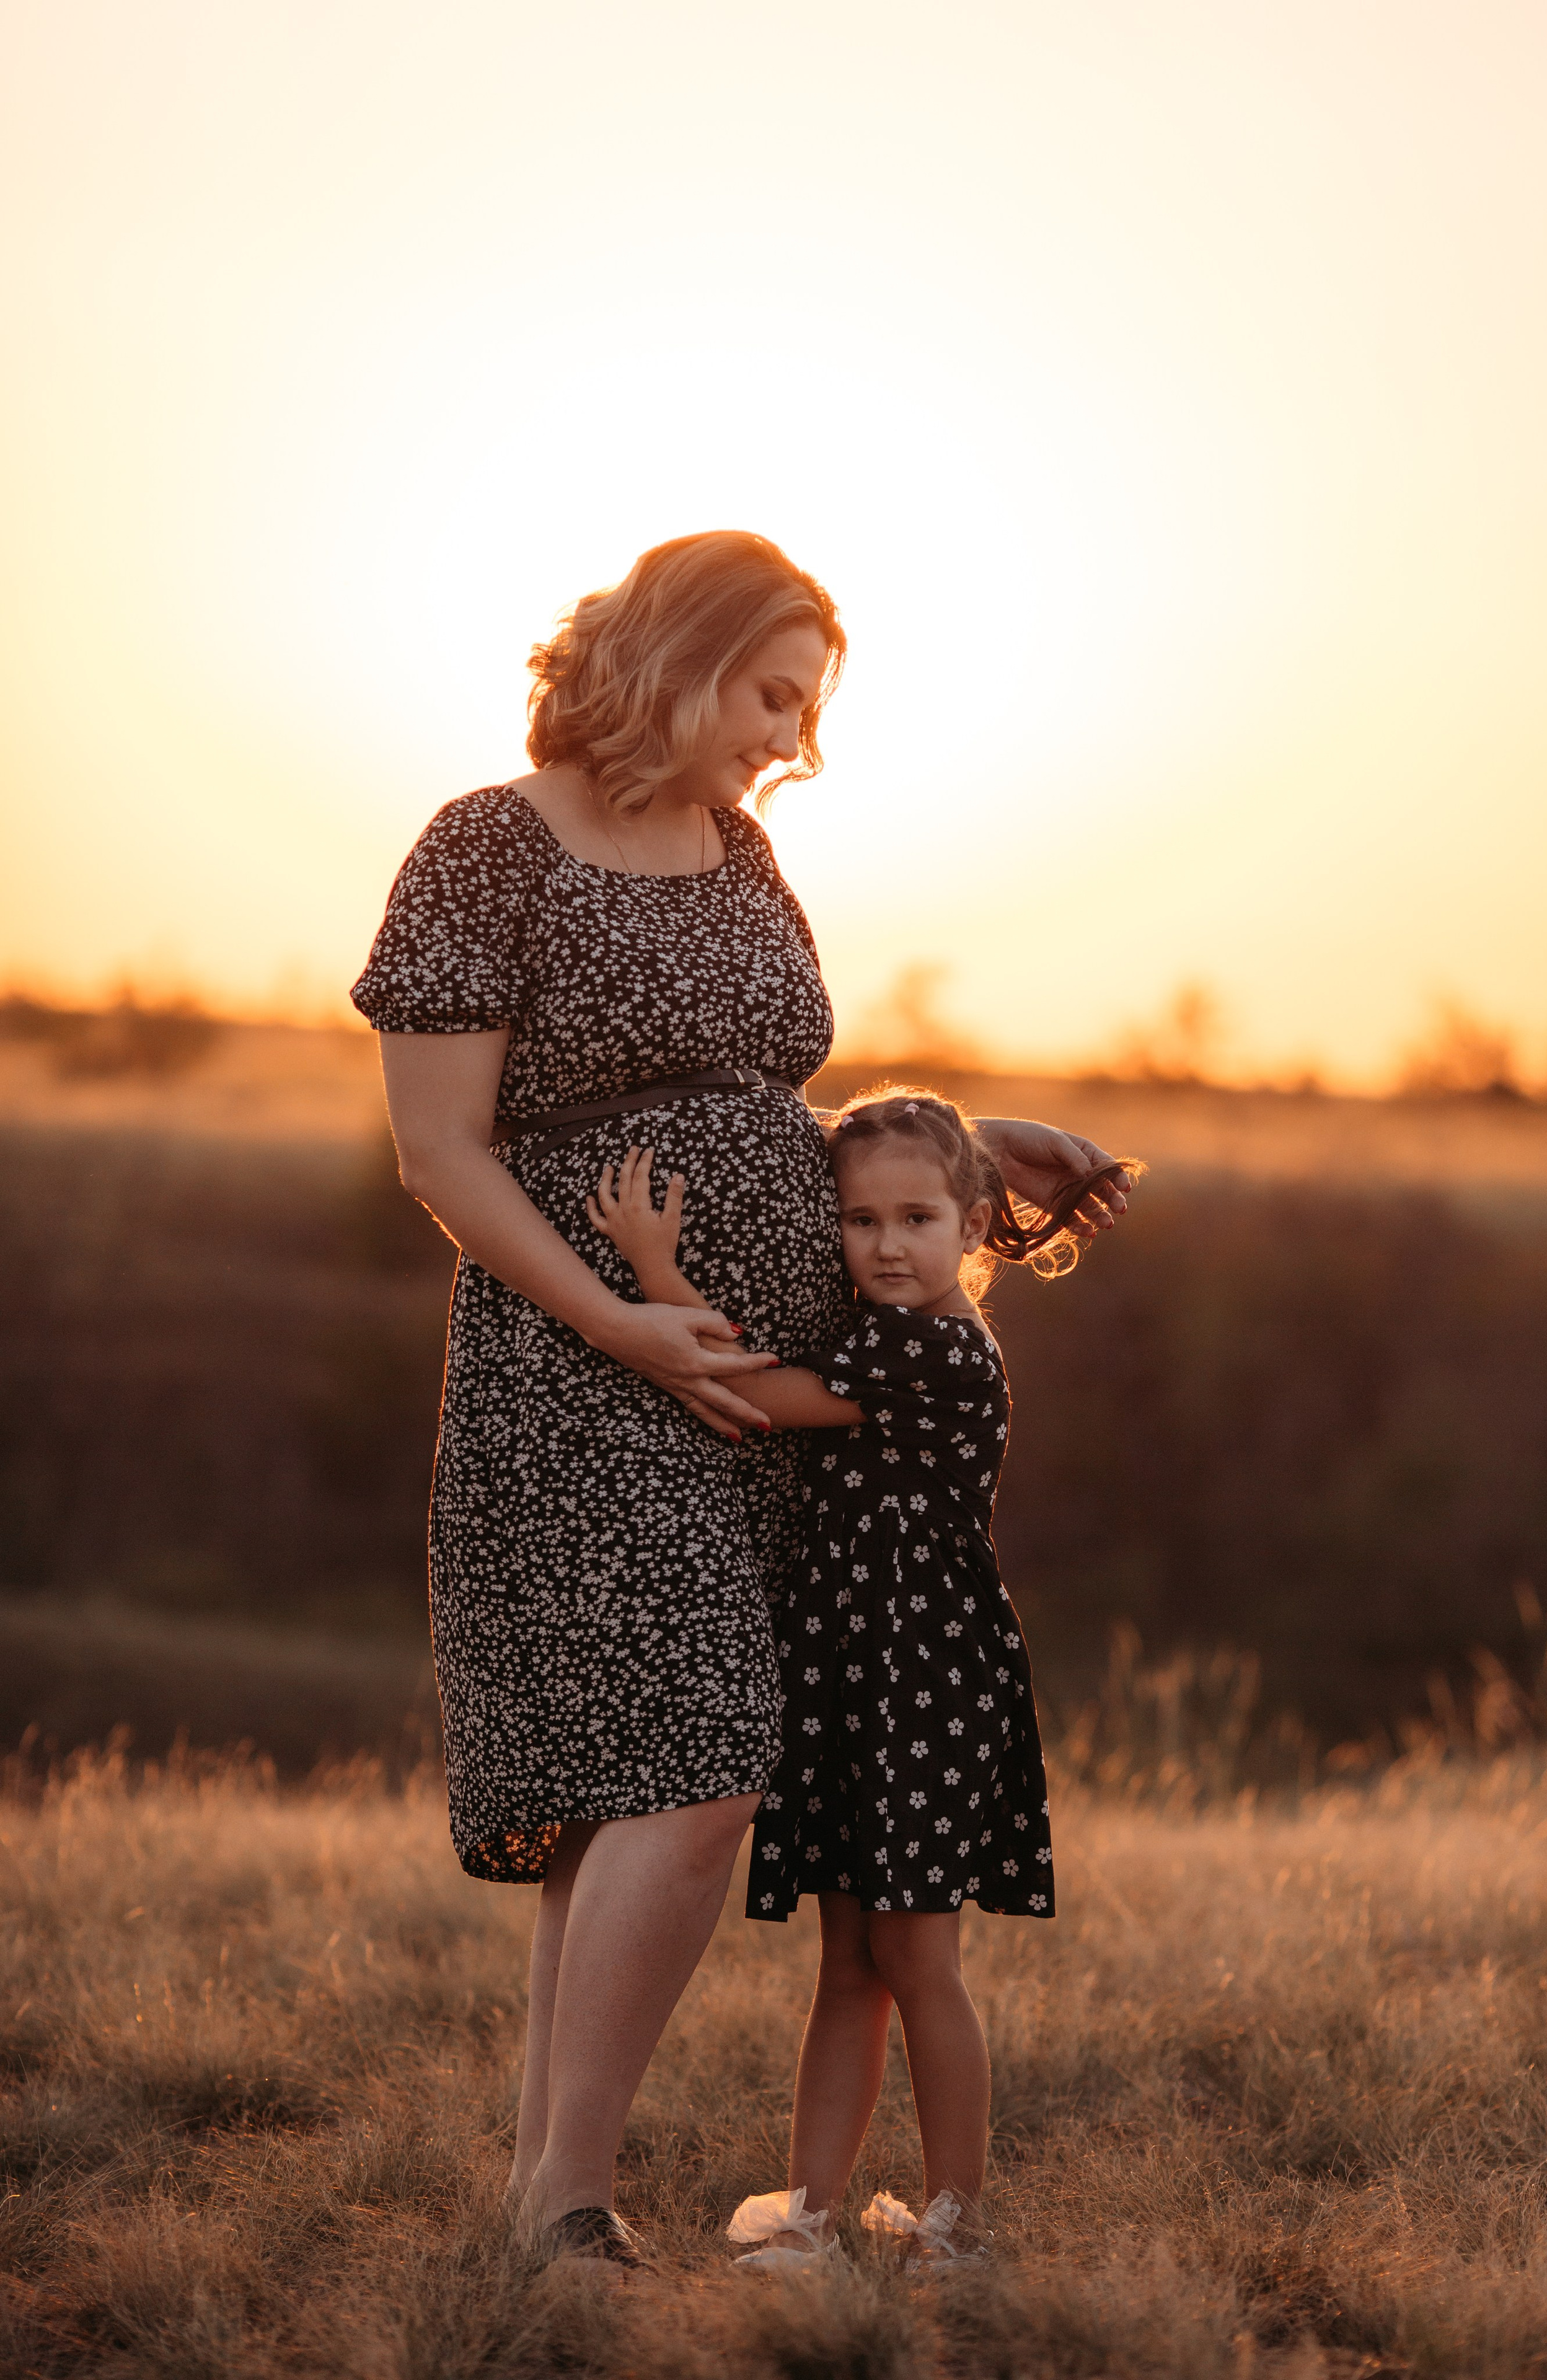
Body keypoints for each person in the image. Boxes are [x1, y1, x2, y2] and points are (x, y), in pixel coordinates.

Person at [349, 530, 1130, 2271]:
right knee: (698, 1762)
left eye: (813, 706)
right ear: (680, 656)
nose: (799, 735)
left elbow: (775, 1104)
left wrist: (972, 1151)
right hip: (584, 1374)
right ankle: (567, 2197)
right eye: (778, 693)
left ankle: (541, 2191)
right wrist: (622, 1323)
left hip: (757, 1383)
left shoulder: (737, 847)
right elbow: (439, 1151)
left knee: (645, 1773)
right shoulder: (489, 847)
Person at [588, 1090, 1132, 2271]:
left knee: (919, 1960)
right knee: (849, 1963)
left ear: (976, 1224)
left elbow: (745, 1392)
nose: (887, 1244)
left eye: (919, 1217)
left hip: (923, 1675)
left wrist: (650, 1272)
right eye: (860, 1219)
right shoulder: (889, 1328)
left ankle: (958, 2221)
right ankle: (814, 2218)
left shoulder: (927, 1347)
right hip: (853, 1673)